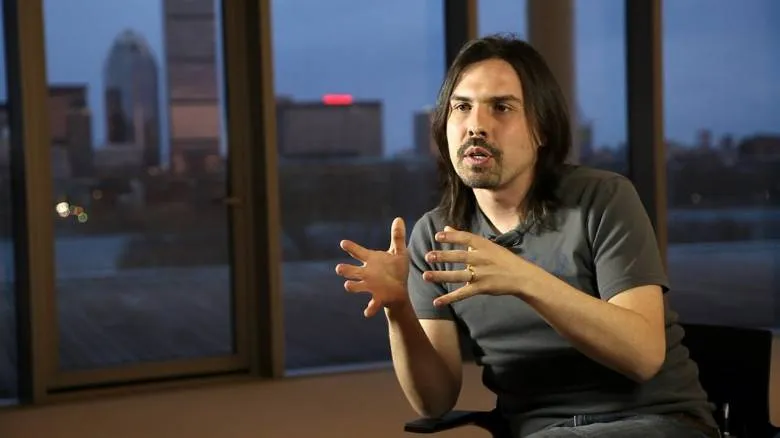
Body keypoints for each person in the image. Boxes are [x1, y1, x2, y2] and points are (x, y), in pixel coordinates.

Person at [334, 35, 720, 438]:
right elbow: (435, 402)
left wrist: (523, 279)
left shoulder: (602, 198)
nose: (476, 125)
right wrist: (399, 310)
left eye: (501, 107)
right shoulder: (435, 236)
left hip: (660, 422)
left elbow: (643, 356)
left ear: (542, 130)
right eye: (462, 107)